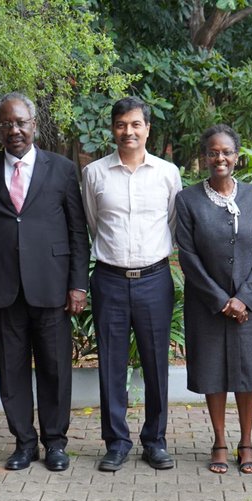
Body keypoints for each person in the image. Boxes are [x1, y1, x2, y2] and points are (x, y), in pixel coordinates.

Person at [0, 92, 90, 472]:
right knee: (13, 370)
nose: (13, 130)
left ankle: (55, 443)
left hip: (51, 286)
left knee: (54, 367)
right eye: (5, 124)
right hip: (2, 288)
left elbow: (77, 231)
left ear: (34, 125)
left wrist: (78, 285)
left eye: (20, 123)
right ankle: (23, 442)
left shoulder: (62, 169)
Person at [81, 97, 182, 472]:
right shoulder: (94, 174)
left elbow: (173, 222)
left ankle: (155, 440)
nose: (129, 131)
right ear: (113, 128)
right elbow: (93, 223)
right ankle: (116, 441)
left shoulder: (167, 173)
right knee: (111, 363)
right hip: (109, 279)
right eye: (122, 124)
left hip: (155, 278)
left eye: (136, 124)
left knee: (157, 363)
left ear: (147, 129)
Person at [175, 124, 252, 474]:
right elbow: (188, 256)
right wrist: (222, 300)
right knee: (213, 372)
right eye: (213, 152)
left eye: (227, 152)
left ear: (237, 156)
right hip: (208, 305)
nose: (220, 158)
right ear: (205, 157)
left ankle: (246, 443)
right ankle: (218, 441)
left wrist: (245, 299)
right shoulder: (187, 199)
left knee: (248, 374)